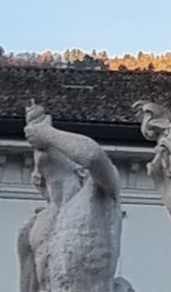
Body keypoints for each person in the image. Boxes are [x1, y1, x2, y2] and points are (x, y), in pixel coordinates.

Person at [18, 102, 132, 292]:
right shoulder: (33, 228)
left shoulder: (98, 193)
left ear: (79, 170)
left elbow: (93, 156)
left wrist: (47, 133)